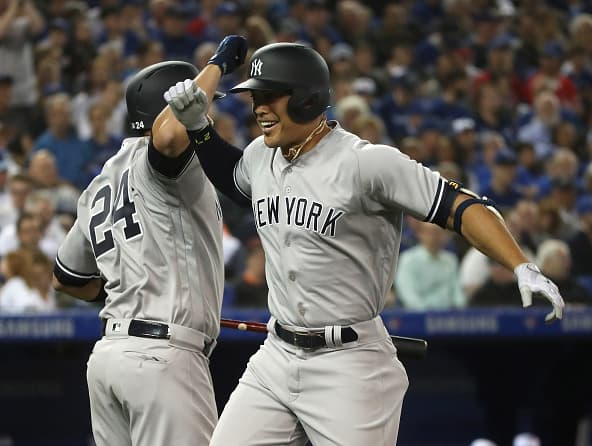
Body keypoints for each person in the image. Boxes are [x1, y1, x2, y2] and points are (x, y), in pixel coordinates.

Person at [164, 39, 565, 446]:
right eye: (255, 97)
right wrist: (199, 130)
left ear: (306, 99)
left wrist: (520, 263)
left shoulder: (366, 162)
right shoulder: (260, 156)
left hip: (349, 363)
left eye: (269, 96)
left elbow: (459, 206)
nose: (259, 108)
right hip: (276, 355)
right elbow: (236, 179)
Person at [52, 36, 246, 446]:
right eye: (194, 107)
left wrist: (132, 289)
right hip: (162, 357)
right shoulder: (164, 159)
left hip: (109, 357)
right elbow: (172, 138)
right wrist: (215, 66)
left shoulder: (101, 181)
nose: (204, 119)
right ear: (169, 108)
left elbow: (65, 278)